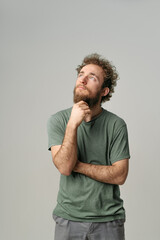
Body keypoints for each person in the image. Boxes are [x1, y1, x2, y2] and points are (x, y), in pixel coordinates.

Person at [47, 53, 130, 240]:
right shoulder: (59, 120)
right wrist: (72, 124)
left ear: (104, 91)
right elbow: (64, 167)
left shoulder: (116, 125)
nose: (82, 80)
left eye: (92, 77)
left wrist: (78, 165)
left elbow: (120, 175)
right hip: (68, 218)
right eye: (81, 74)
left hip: (109, 220)